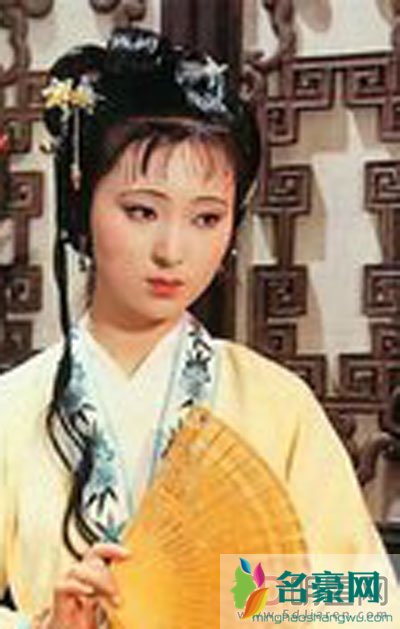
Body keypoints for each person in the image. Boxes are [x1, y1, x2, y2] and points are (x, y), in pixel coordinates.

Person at [0, 26, 395, 629]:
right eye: (141, 211)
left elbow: (366, 599)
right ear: (81, 205)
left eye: (206, 218)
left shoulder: (276, 404)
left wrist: (224, 594)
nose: (172, 249)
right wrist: (47, 624)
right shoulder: (12, 410)